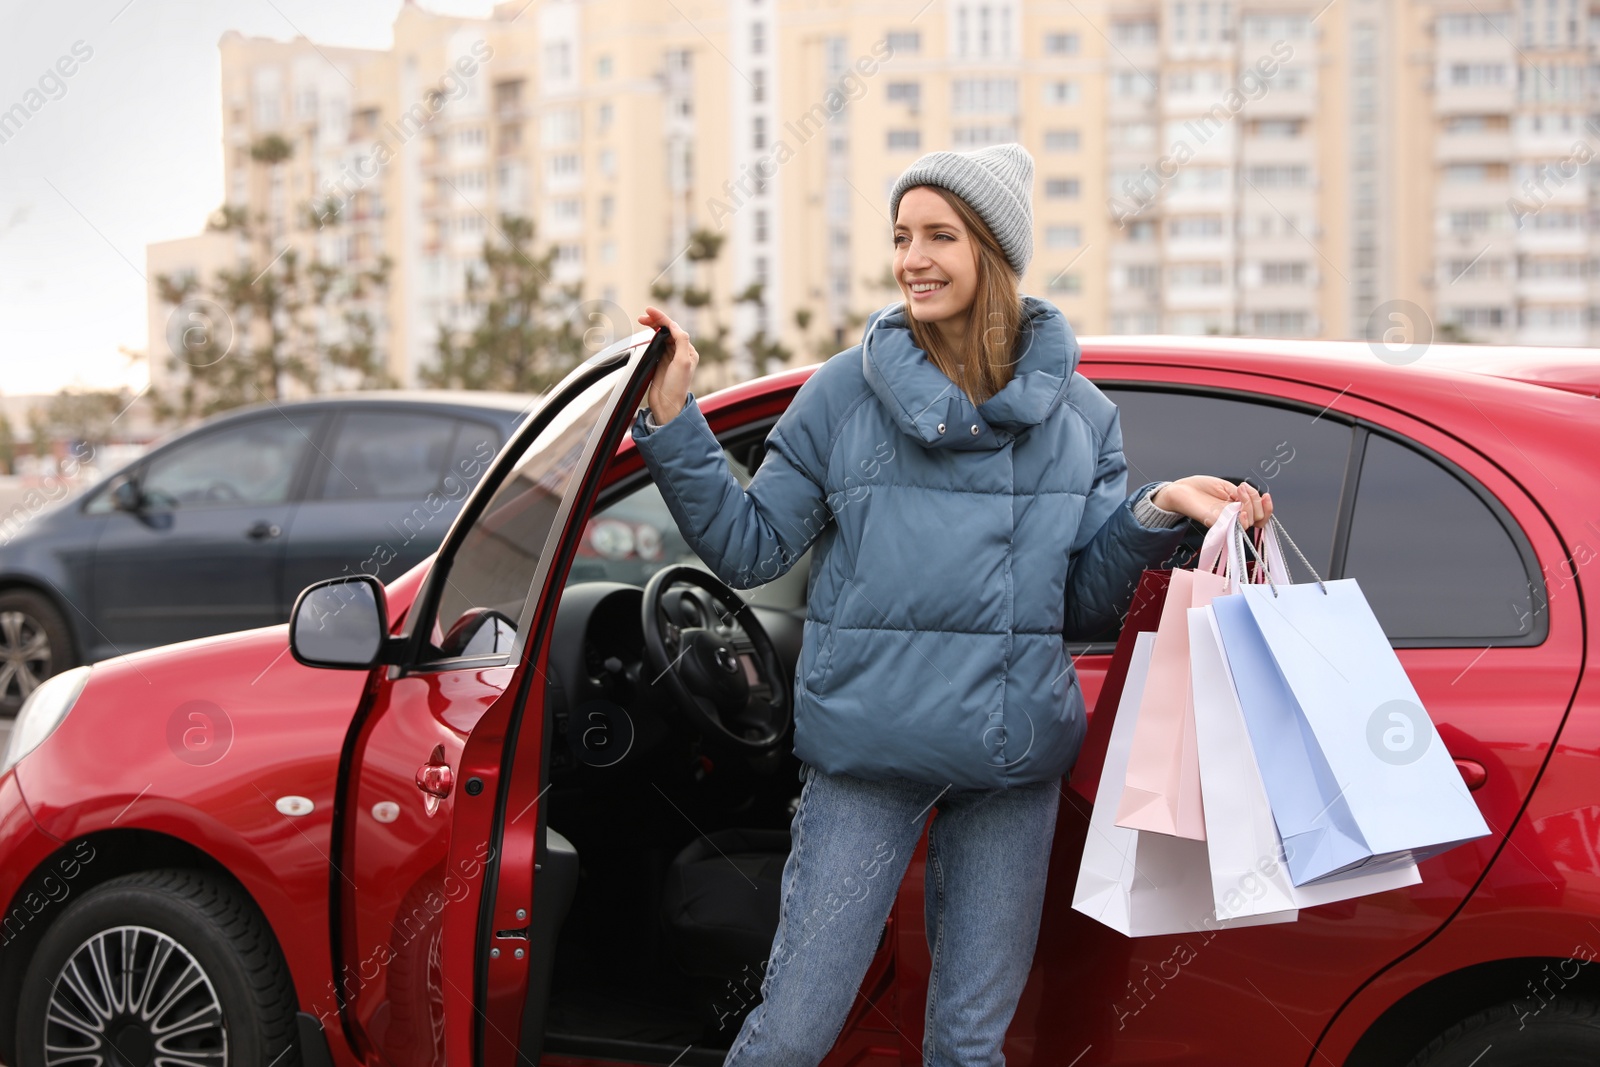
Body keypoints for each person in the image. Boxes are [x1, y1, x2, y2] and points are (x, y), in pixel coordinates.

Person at [629, 142, 1271, 1067]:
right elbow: (748, 546)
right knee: (793, 1033)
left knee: (970, 1046)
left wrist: (1155, 511)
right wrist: (675, 419)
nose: (912, 258)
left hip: (1010, 770)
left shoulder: (1081, 417)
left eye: (940, 235)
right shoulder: (845, 394)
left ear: (992, 252)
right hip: (866, 761)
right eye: (901, 236)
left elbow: (1082, 603)